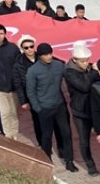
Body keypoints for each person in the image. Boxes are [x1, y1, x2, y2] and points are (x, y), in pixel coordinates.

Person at [25, 43, 78, 172]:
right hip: (44, 108)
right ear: (40, 56)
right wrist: (38, 108)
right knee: (46, 136)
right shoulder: (33, 70)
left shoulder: (58, 66)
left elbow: (70, 76)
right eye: (45, 55)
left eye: (50, 54)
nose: (48, 57)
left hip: (59, 106)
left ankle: (69, 160)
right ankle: (46, 160)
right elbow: (30, 91)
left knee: (66, 133)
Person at [63, 41, 100, 175]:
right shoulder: (69, 72)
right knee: (84, 139)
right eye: (83, 61)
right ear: (75, 60)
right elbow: (84, 86)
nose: (86, 63)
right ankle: (90, 164)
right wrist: (94, 73)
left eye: (87, 60)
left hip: (93, 108)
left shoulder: (89, 69)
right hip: (80, 110)